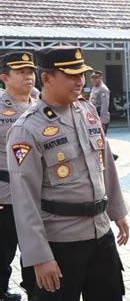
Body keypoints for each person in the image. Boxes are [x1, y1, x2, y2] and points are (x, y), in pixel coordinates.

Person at [7, 46, 129, 301]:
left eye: (82, 74)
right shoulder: (27, 129)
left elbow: (105, 164)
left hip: (100, 232)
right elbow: (24, 200)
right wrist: (39, 256)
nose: (80, 81)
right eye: (71, 75)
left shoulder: (87, 111)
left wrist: (118, 212)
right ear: (47, 78)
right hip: (60, 243)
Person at [0, 51, 37, 301]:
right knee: (3, 250)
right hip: (6, 193)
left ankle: (35, 289)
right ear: (4, 77)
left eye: (31, 72)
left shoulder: (40, 105)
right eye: (21, 72)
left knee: (36, 248)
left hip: (36, 194)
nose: (28, 77)